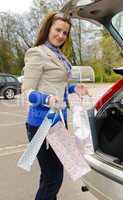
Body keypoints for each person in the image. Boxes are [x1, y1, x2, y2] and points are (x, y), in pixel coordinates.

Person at [22, 12, 88, 200]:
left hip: (58, 123)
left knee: (51, 176)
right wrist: (46, 99)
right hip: (42, 125)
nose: (61, 35)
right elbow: (26, 92)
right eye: (58, 30)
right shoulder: (37, 53)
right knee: (53, 178)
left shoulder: (59, 55)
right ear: (48, 28)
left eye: (65, 33)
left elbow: (57, 86)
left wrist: (75, 88)